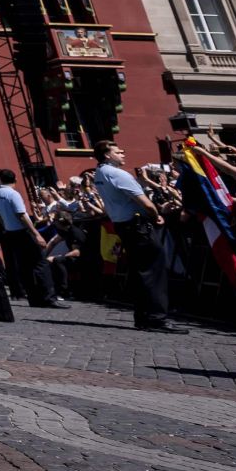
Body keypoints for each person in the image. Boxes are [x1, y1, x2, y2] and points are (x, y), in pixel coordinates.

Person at [91, 139, 185, 334]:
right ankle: (157, 318)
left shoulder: (100, 173)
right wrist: (156, 215)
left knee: (140, 272)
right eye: (119, 151)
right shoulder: (117, 174)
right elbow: (145, 203)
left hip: (123, 224)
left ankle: (142, 316)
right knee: (154, 270)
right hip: (138, 225)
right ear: (108, 154)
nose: (123, 154)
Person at [0, 169, 68, 308]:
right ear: (15, 179)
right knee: (41, 263)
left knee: (25, 267)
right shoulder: (12, 194)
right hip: (23, 231)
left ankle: (33, 298)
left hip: (10, 232)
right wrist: (36, 234)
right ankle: (48, 297)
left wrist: (0, 228)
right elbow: (22, 215)